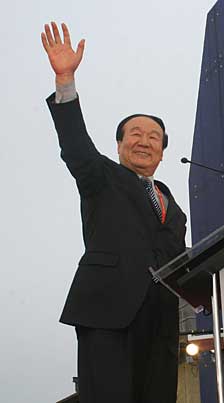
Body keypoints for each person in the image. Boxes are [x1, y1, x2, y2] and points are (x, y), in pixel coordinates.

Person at [41, 21, 187, 403]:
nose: (144, 141)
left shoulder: (174, 209)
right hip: (108, 312)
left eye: (154, 137)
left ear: (162, 152)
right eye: (135, 134)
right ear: (119, 145)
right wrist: (65, 80)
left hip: (161, 325)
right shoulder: (101, 177)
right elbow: (76, 146)